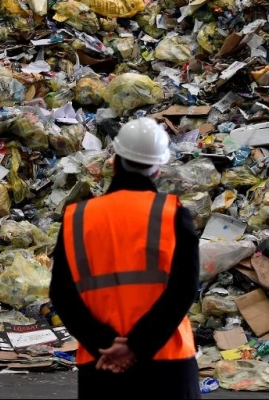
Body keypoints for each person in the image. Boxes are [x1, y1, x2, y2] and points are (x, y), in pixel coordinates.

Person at [49, 117, 201, 399]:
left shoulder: (77, 219)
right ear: (156, 170)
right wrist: (136, 345)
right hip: (168, 360)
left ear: (115, 161)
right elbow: (184, 290)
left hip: (102, 364)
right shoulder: (172, 213)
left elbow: (62, 294)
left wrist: (105, 344)